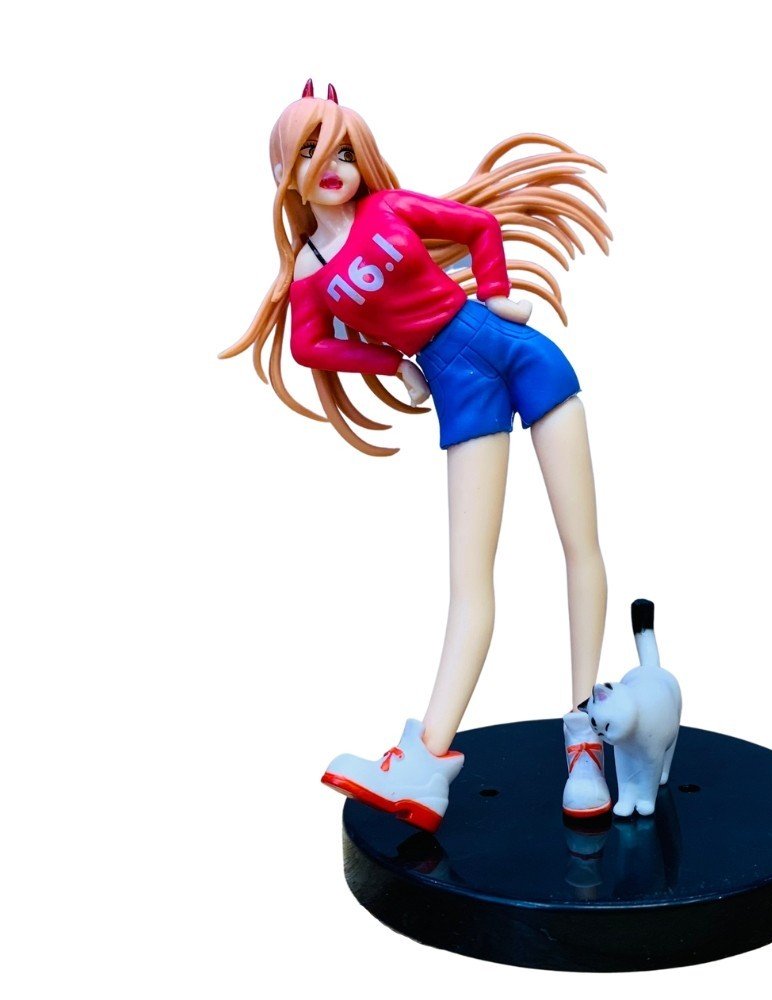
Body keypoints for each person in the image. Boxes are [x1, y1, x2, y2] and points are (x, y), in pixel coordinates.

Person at [220, 81, 613, 831]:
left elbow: (478, 226)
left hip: (512, 347)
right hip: (457, 384)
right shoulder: (309, 268)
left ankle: (585, 734)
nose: (331, 165)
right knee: (470, 581)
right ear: (284, 173)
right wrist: (390, 362)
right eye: (310, 152)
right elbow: (309, 345)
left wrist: (496, 293)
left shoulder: (389, 208)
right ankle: (426, 762)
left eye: (342, 150)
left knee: (580, 544)